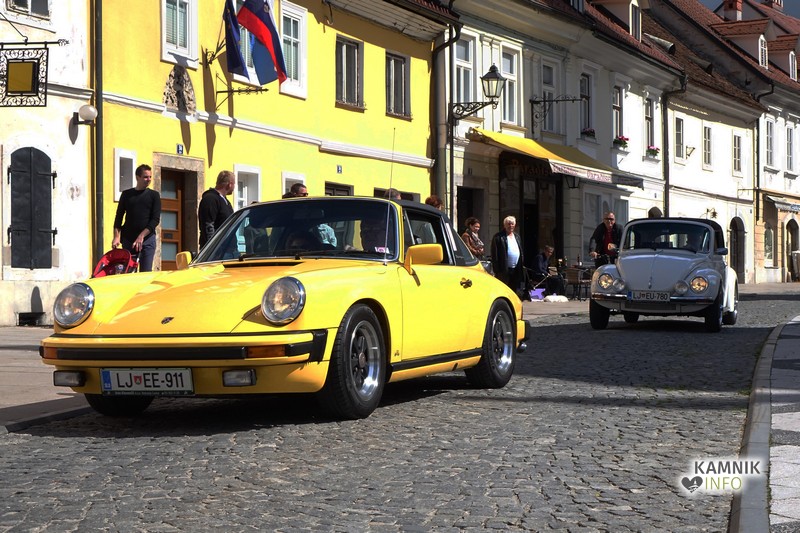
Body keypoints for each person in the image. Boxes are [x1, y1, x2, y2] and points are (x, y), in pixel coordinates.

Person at [112, 164, 161, 272]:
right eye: (145, 177)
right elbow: (119, 217)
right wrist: (116, 237)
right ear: (137, 177)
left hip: (147, 241)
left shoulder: (154, 195)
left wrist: (141, 236)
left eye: (150, 177)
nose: (149, 179)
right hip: (128, 240)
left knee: (145, 274)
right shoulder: (126, 195)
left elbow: (155, 220)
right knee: (127, 273)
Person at [198, 170, 235, 248]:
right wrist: (213, 248)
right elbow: (208, 226)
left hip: (229, 248)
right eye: (234, 184)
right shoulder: (210, 199)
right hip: (218, 250)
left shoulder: (225, 201)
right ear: (230, 184)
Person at [491, 216, 525, 295]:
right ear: (504, 225)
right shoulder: (498, 237)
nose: (510, 226)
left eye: (512, 224)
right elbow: (494, 255)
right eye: (508, 224)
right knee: (504, 291)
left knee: (514, 291)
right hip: (503, 270)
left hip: (516, 269)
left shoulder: (517, 237)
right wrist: (497, 271)